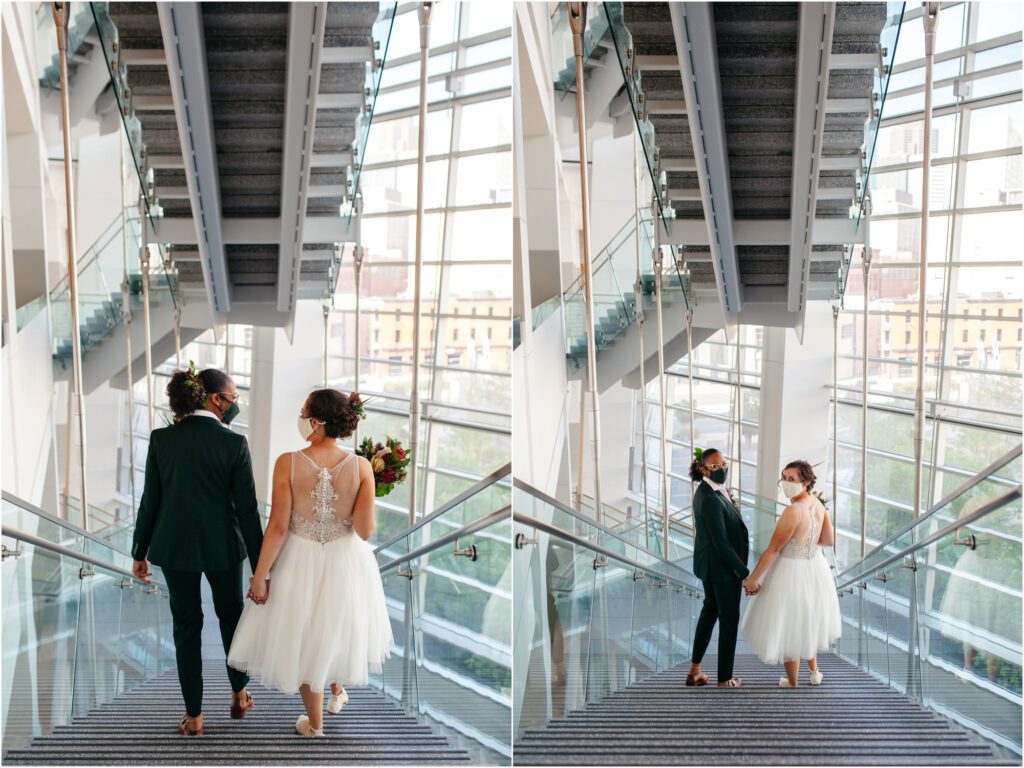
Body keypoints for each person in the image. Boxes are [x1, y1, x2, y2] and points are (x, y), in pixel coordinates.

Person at [227, 388, 393, 737]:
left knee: (301, 638)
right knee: (331, 630)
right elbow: (364, 531)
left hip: (297, 559)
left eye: (303, 412)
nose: (300, 418)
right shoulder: (362, 466)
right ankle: (334, 691)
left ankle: (315, 725)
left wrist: (260, 576)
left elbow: (277, 526)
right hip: (345, 561)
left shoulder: (287, 463)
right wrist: (363, 493)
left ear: (316, 422)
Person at [132, 365, 264, 737]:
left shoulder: (162, 439)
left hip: (174, 547)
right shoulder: (234, 443)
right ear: (214, 398)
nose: (234, 404)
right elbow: (248, 511)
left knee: (186, 627)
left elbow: (151, 501)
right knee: (231, 618)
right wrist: (260, 568)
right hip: (224, 547)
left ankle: (194, 717)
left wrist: (139, 551)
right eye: (232, 397)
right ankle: (239, 695)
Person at [740, 460, 842, 687]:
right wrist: (807, 545)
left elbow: (773, 549)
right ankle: (814, 673)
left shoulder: (793, 511)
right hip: (814, 568)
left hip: (790, 571)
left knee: (789, 624)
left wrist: (752, 579)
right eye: (784, 478)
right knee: (807, 621)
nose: (786, 483)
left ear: (805, 482)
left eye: (792, 479)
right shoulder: (818, 505)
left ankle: (793, 682)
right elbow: (828, 540)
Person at [686, 447, 749, 688]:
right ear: (703, 470)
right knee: (729, 619)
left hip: (711, 566)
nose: (721, 469)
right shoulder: (710, 499)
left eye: (723, 464)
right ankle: (724, 678)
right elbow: (721, 543)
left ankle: (694, 670)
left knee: (710, 612)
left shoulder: (711, 490)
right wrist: (744, 574)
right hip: (721, 570)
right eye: (715, 466)